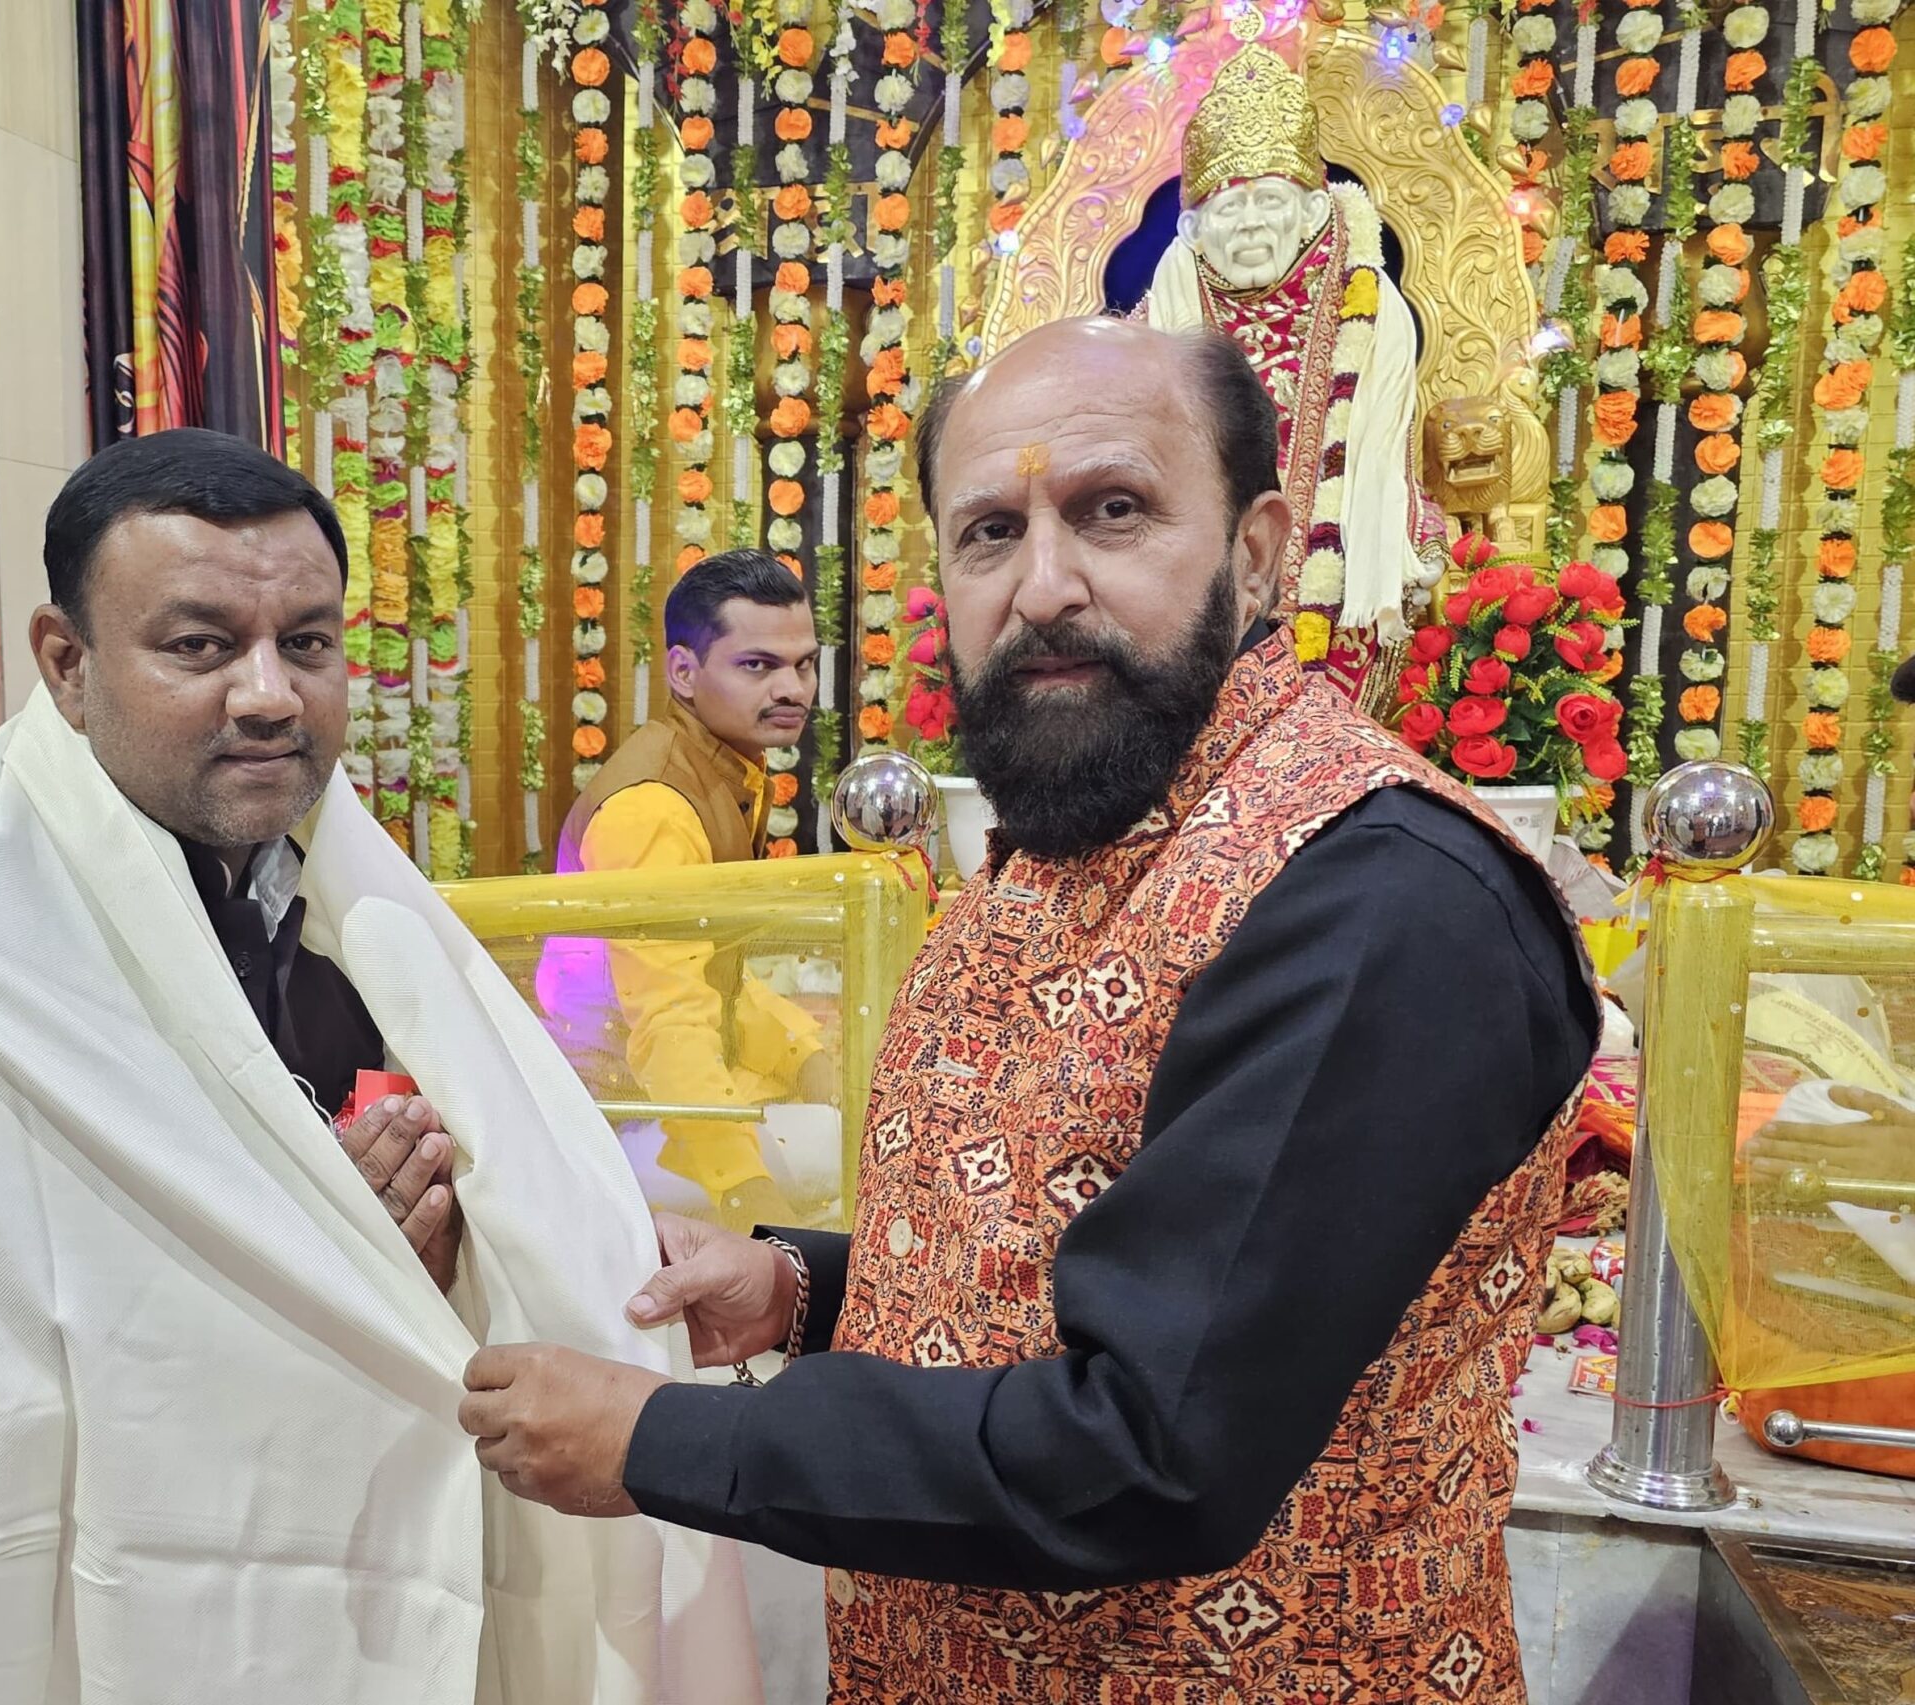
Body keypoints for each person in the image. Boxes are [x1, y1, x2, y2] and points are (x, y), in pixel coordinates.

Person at [460, 318, 1598, 1703]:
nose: (1044, 587)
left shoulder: (1376, 898)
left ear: (1257, 553)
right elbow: (1078, 1250)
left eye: (1113, 512)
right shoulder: (1070, 839)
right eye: (990, 533)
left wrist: (660, 1442)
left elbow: (1152, 1445)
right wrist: (802, 1289)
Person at [0, 429, 757, 1705]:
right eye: (199, 645)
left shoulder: (358, 912)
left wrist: (446, 1247)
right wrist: (314, 1241)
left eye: (308, 643)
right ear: (65, 664)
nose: (269, 693)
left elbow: (463, 1236)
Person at [1140, 4, 1443, 711]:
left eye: (1269, 202)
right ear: (1195, 228)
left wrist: (1408, 535)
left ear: (1311, 212)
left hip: (1342, 599)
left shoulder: (1365, 297)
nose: (1249, 224)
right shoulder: (1170, 306)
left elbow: (1387, 457)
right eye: (1229, 209)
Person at [540, 549, 832, 1231]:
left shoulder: (725, 768)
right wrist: (747, 1196)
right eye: (757, 665)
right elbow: (668, 1021)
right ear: (683, 671)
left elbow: (716, 976)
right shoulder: (653, 807)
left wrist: (807, 1055)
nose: (793, 688)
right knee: (859, 1153)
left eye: (804, 664)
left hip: (668, 1096)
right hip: (618, 1122)